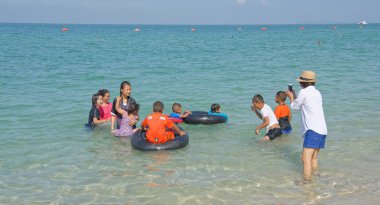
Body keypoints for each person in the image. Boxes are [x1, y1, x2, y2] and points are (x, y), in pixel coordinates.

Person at [287, 70, 327, 182]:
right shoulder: (317, 92)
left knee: (305, 158)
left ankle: (307, 182)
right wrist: (294, 95)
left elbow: (295, 106)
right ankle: (316, 177)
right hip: (322, 129)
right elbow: (302, 103)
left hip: (312, 129)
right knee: (313, 157)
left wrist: (290, 96)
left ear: (303, 83)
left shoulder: (304, 92)